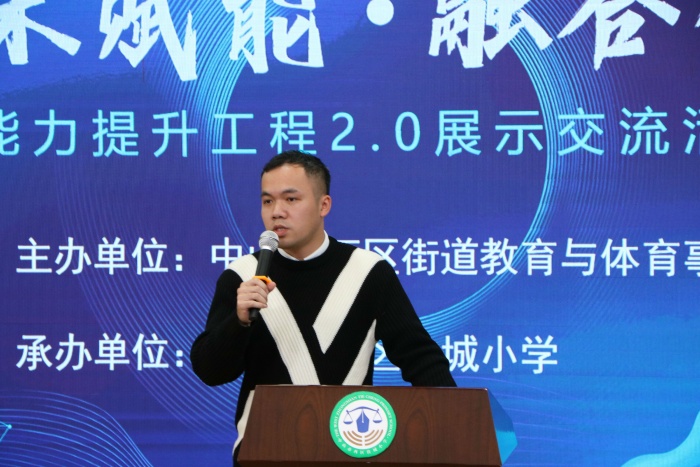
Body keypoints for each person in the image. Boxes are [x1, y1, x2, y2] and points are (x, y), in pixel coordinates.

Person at [190, 150, 455, 465]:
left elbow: (420, 357)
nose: (277, 212)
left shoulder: (368, 272)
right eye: (267, 201)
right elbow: (211, 371)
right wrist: (238, 322)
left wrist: (454, 423)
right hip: (264, 449)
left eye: (291, 199)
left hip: (352, 448)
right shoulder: (242, 276)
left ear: (323, 205)